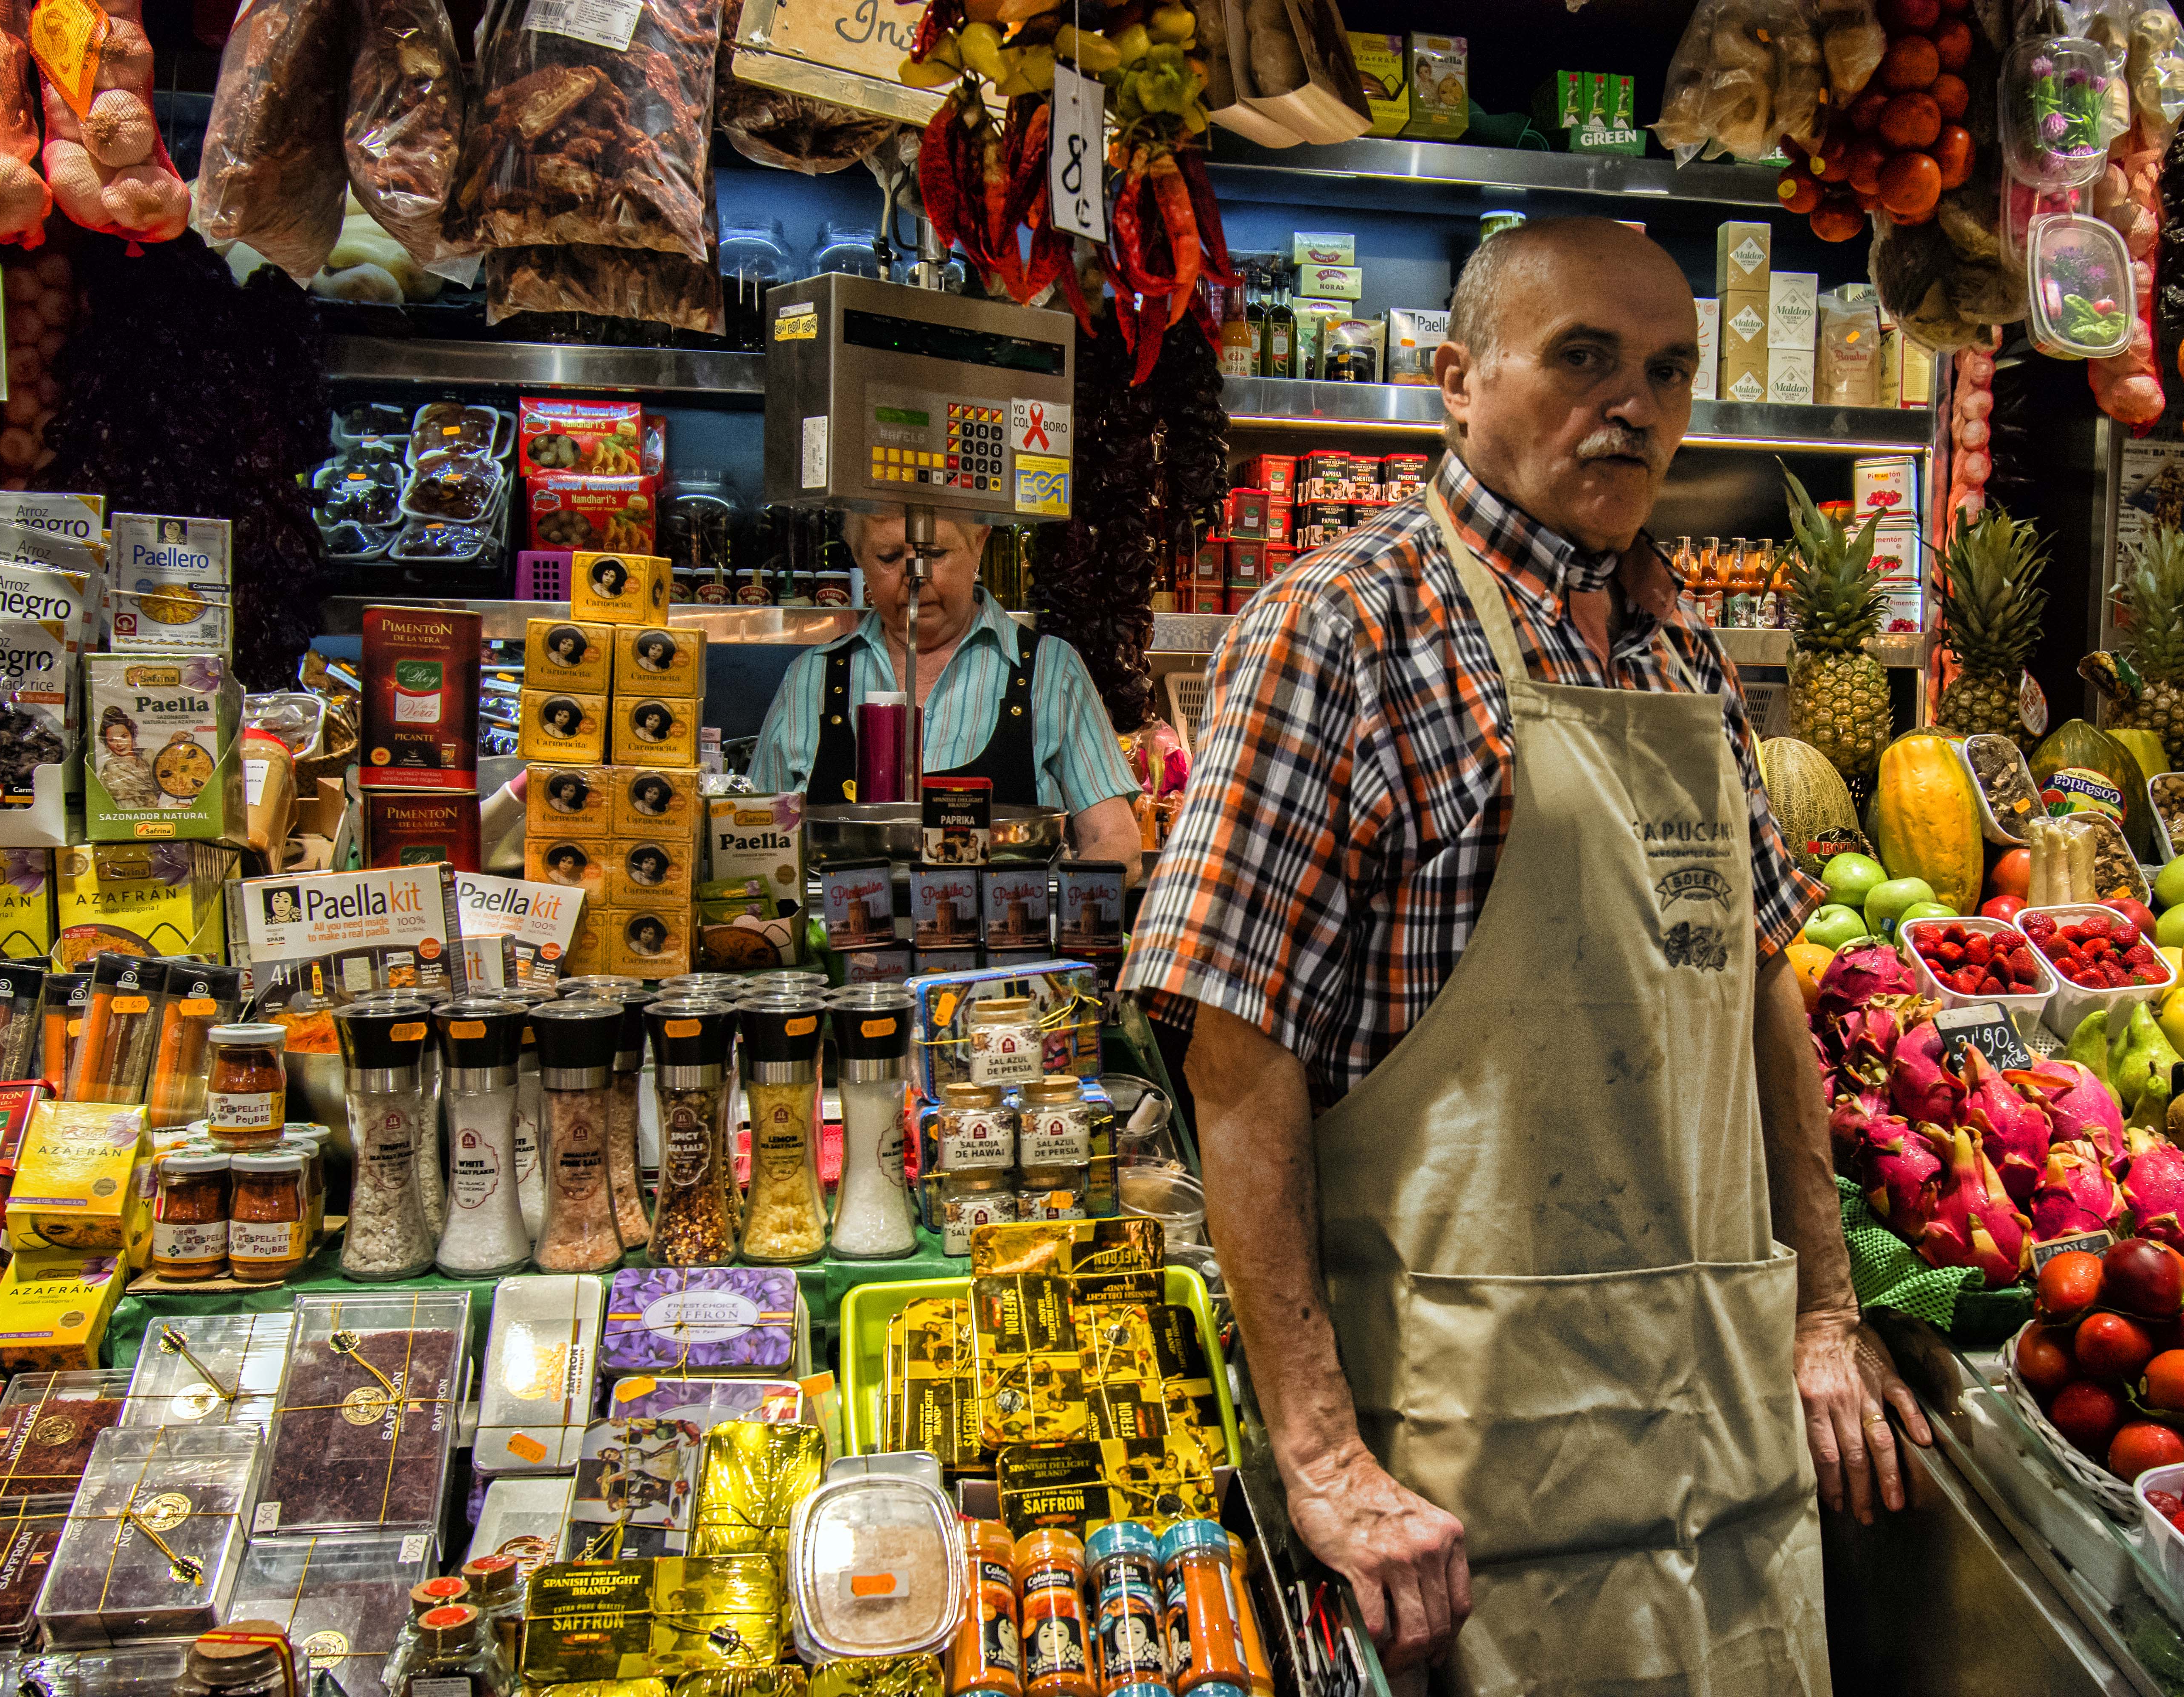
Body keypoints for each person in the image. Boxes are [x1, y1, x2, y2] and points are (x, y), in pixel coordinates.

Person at [1122, 218, 1925, 1696]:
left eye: (1668, 371)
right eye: (1583, 360)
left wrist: (1823, 1308)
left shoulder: (1683, 658)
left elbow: (1759, 993)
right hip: (1464, 1459)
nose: (1633, 405)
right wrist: (1319, 1452)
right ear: (1457, 379)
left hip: (1715, 1432)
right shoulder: (1338, 630)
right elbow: (1233, 1058)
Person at [751, 505, 1144, 874]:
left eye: (936, 553)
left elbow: (1114, 839)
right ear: (858, 558)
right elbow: (753, 844)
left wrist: (1065, 912)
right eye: (888, 557)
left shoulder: (1051, 671)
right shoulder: (811, 678)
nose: (916, 578)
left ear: (979, 543)